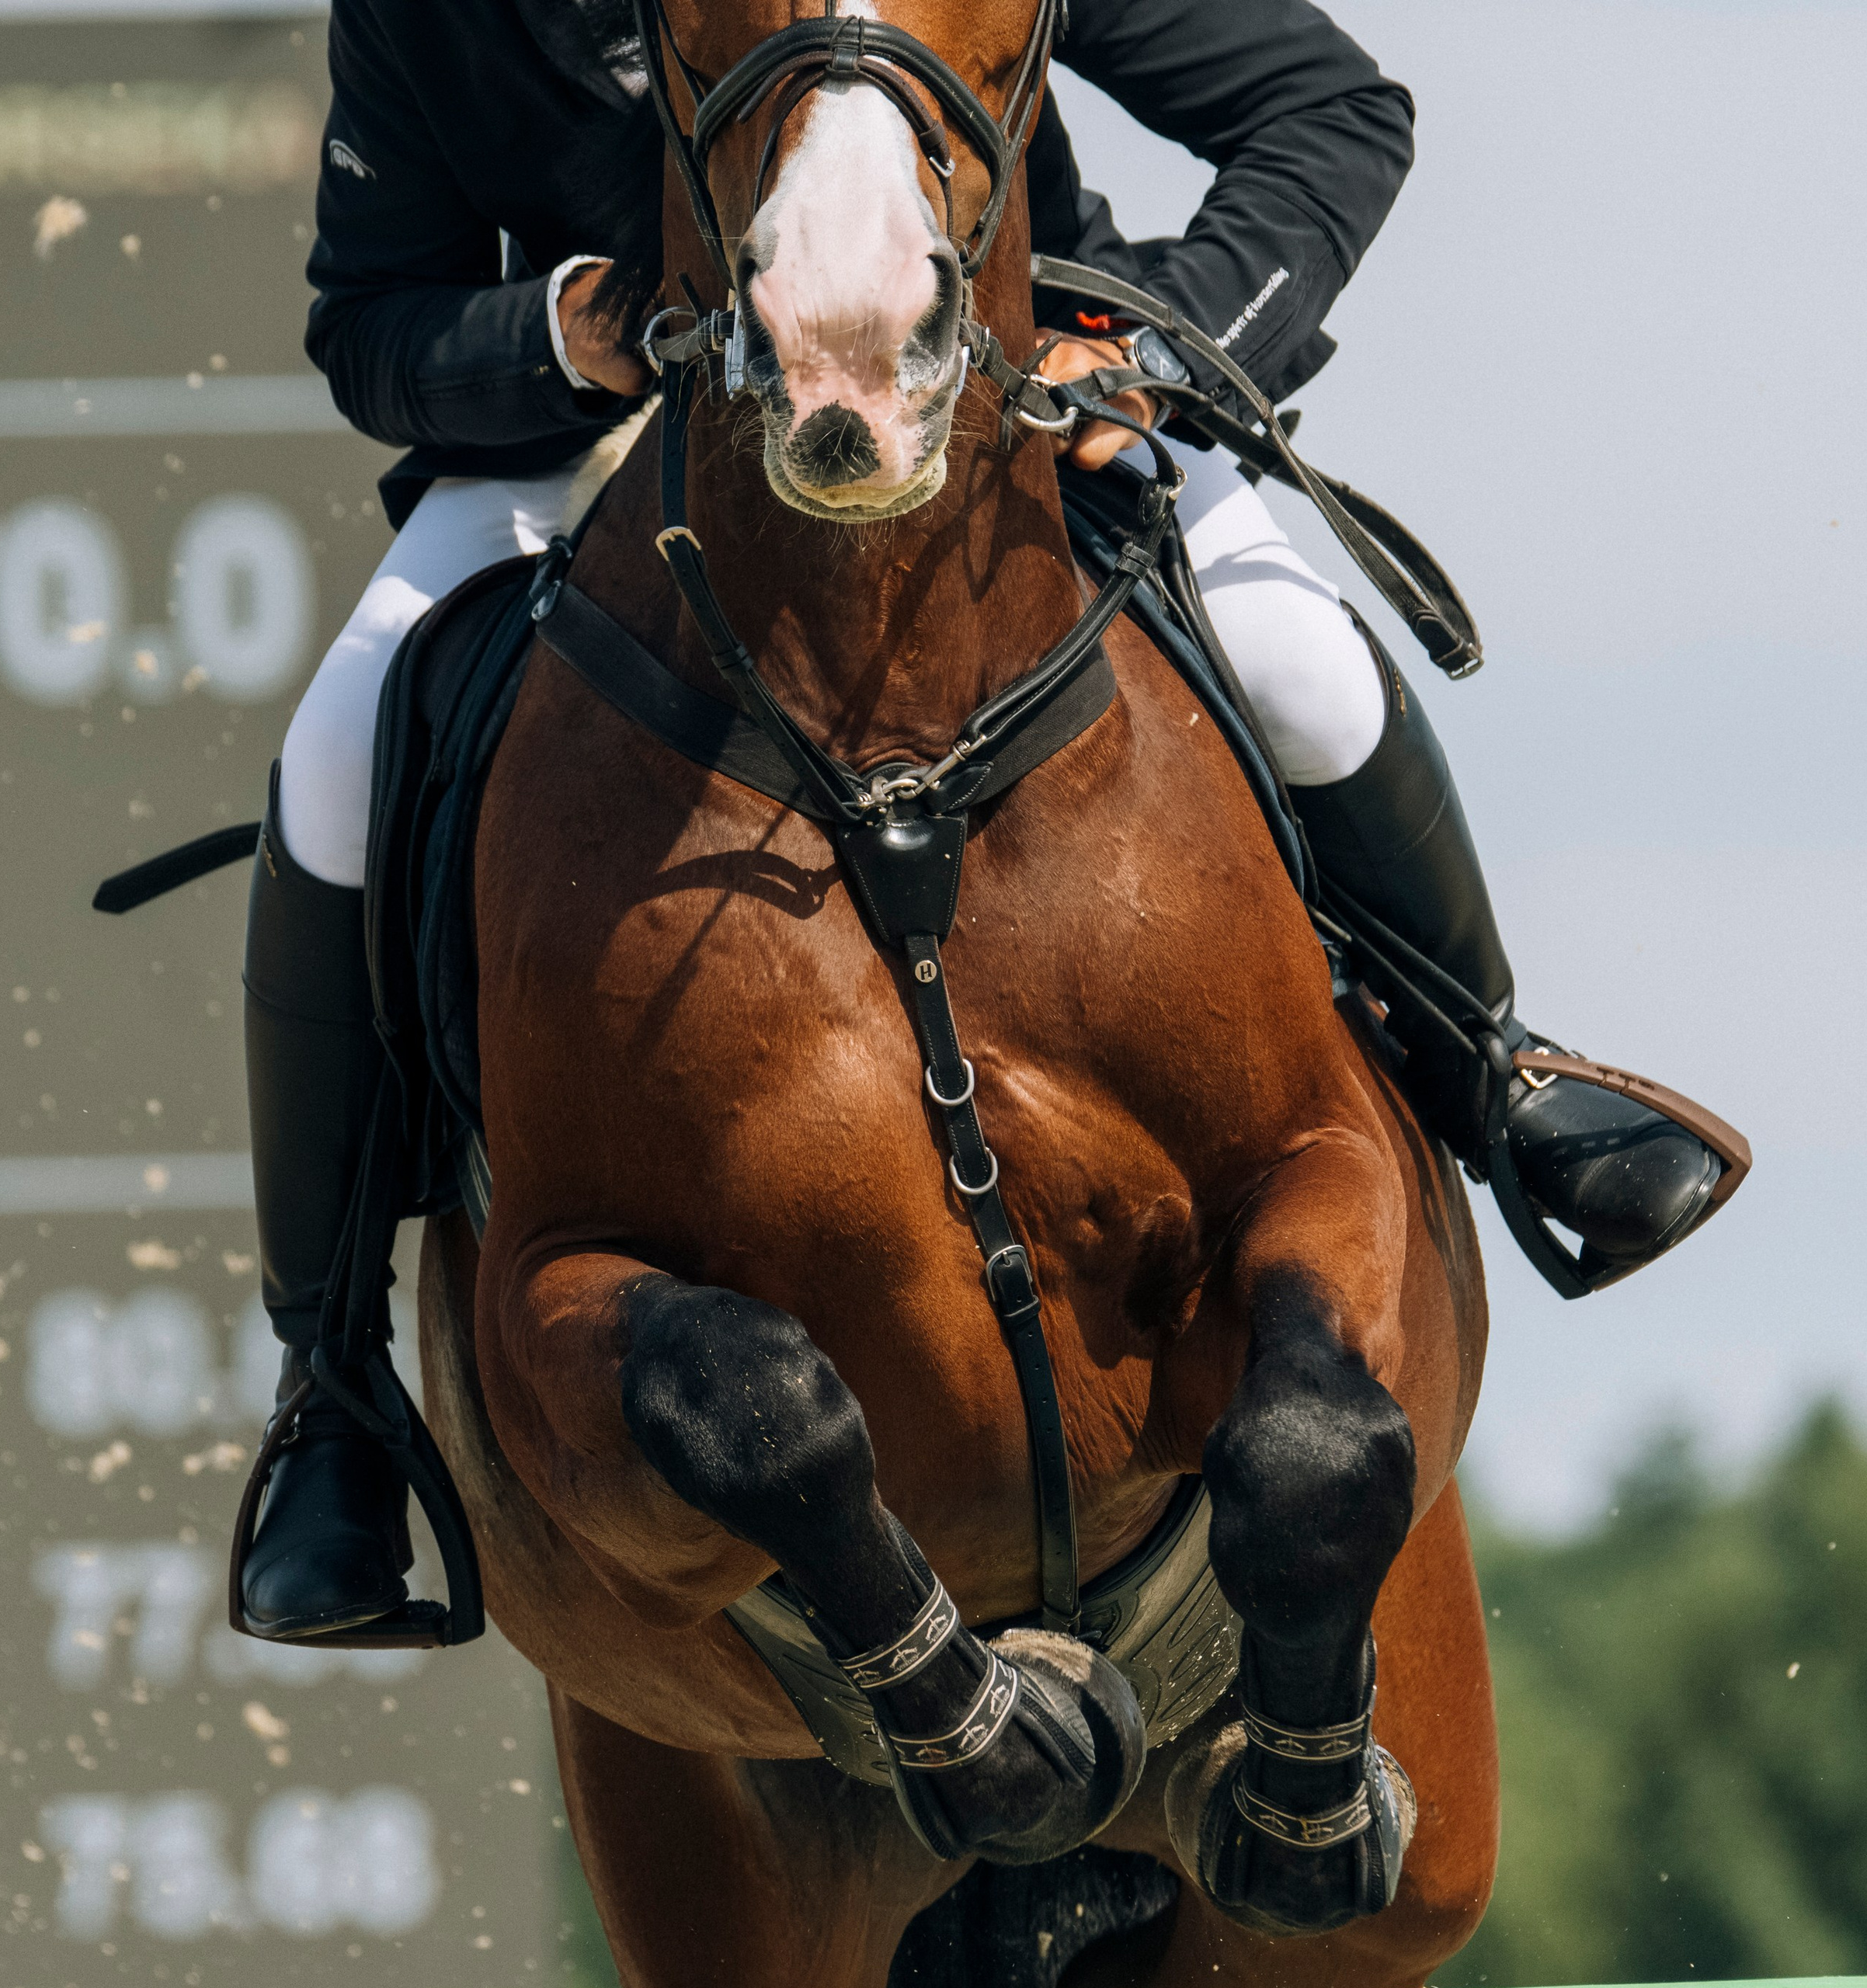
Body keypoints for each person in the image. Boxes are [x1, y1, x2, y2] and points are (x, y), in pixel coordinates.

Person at [237, 0, 1724, 1641]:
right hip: (606, 437)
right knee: (332, 752)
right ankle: (334, 1385)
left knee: (1294, 654)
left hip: (1003, 381)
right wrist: (563, 335)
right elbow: (369, 324)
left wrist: (1156, 340)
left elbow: (1328, 116)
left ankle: (1496, 1067)